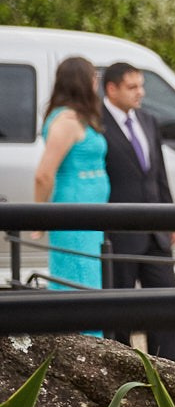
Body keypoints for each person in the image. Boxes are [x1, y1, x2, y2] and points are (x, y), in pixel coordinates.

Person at [100, 61, 175, 362]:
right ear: (112, 89)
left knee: (165, 309)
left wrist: (170, 218)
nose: (140, 93)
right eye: (132, 87)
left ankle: (169, 374)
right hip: (119, 235)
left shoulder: (148, 120)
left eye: (141, 86)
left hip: (156, 233)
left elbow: (159, 176)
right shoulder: (96, 124)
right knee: (120, 313)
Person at [33, 56, 110, 329]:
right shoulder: (65, 121)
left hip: (90, 218)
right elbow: (44, 174)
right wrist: (38, 217)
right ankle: (81, 342)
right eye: (93, 77)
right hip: (74, 215)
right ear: (81, 81)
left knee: (90, 278)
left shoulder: (81, 117)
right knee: (79, 279)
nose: (96, 82)